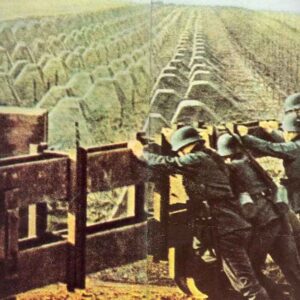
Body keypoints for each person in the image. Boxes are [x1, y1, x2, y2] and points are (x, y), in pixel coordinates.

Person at [129, 125, 270, 300]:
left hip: (226, 229)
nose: (180, 154)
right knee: (231, 273)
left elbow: (169, 163)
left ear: (185, 147)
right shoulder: (211, 155)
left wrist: (140, 153)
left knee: (247, 285)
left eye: (179, 150)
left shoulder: (197, 160)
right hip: (233, 223)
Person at [217, 132, 300, 299]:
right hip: (280, 219)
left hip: (263, 225)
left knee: (249, 269)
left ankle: (277, 296)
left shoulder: (232, 168)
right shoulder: (250, 163)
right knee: (293, 269)